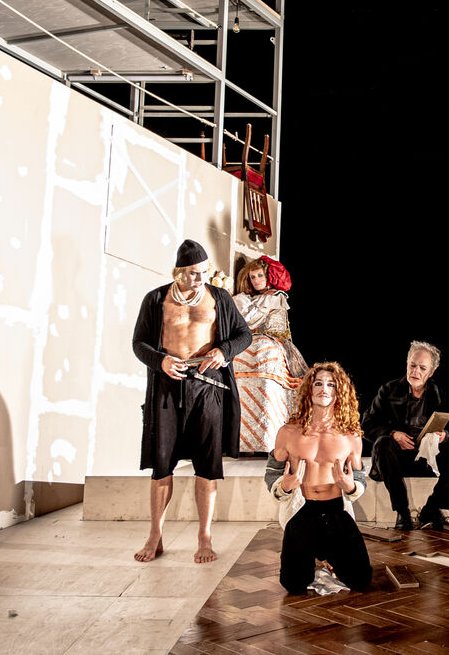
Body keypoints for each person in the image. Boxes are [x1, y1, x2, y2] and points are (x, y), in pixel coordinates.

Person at [131, 238, 252, 563]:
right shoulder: (156, 299)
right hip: (167, 386)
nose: (201, 278)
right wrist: (160, 361)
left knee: (207, 465)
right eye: (194, 273)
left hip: (207, 386)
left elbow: (244, 335)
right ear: (178, 272)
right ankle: (155, 535)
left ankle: (204, 537)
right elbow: (139, 343)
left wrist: (223, 351)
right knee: (162, 464)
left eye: (204, 271)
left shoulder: (219, 298)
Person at [265, 361, 372, 594]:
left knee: (361, 580)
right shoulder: (288, 432)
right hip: (302, 511)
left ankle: (328, 556)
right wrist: (284, 486)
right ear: (309, 390)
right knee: (293, 585)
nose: (324, 389)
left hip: (337, 511)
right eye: (318, 383)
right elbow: (272, 472)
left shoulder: (351, 436)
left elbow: (360, 476)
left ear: (339, 392)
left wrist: (351, 486)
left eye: (331, 385)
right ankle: (313, 556)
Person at [361, 341, 449, 531]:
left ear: (431, 372)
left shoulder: (442, 392)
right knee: (383, 443)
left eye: (422, 368)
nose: (415, 371)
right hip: (397, 459)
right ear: (407, 364)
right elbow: (366, 424)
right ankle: (402, 512)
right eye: (412, 365)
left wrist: (445, 436)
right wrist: (393, 434)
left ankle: (432, 508)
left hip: (430, 459)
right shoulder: (388, 390)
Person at [231, 256, 308, 453]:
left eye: (260, 275)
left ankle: (275, 439)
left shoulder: (275, 296)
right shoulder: (247, 299)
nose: (257, 280)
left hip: (275, 341)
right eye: (253, 277)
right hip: (254, 341)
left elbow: (251, 320)